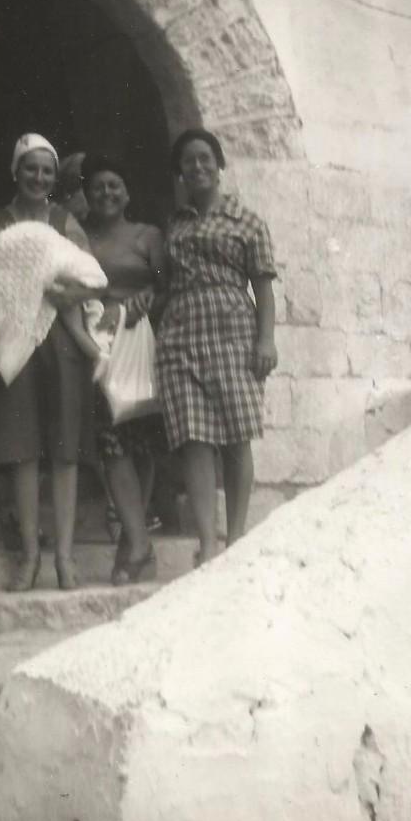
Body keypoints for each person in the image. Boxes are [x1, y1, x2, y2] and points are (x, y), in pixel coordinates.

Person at [0, 133, 99, 591]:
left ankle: (64, 557)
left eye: (47, 171)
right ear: (16, 171)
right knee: (22, 446)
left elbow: (89, 278)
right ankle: (29, 556)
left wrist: (63, 292)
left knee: (65, 446)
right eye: (31, 168)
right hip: (15, 339)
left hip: (61, 338)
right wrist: (46, 284)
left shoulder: (66, 220)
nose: (39, 177)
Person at [155, 128, 278, 564]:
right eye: (188, 161)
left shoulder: (247, 221)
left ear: (220, 165)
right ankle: (208, 542)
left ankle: (237, 536)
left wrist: (266, 339)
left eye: (205, 158)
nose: (198, 167)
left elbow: (263, 287)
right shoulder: (175, 224)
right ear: (180, 172)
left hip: (232, 331)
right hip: (180, 333)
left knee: (237, 434)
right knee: (194, 437)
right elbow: (164, 283)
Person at [81, 153, 166, 584]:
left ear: (128, 194)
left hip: (142, 344)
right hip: (100, 346)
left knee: (142, 442)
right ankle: (138, 542)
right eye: (98, 187)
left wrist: (148, 299)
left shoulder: (148, 235)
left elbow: (168, 285)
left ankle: (134, 547)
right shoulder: (80, 237)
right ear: (87, 195)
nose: (106, 193)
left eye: (114, 185)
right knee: (112, 444)